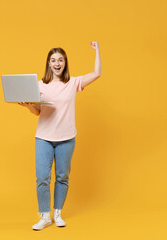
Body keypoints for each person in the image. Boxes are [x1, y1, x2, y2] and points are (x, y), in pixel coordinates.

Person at [19, 42, 102, 230]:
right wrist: (27, 106)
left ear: (65, 63)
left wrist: (97, 51)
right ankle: (45, 216)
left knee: (62, 177)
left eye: (60, 60)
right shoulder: (40, 85)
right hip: (44, 138)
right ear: (48, 63)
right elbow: (37, 112)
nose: (57, 63)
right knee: (42, 177)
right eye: (53, 60)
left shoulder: (73, 83)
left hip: (66, 139)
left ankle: (57, 213)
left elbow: (97, 74)